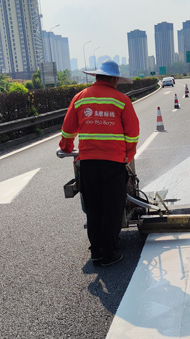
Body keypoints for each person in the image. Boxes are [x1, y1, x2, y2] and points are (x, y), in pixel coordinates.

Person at [59, 60, 139, 266]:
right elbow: (132, 134)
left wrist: (66, 148)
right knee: (113, 209)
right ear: (114, 79)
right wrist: (127, 156)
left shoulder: (80, 98)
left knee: (93, 209)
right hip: (113, 165)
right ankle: (108, 253)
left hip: (88, 164)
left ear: (96, 76)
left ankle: (95, 252)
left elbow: (68, 130)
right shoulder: (121, 100)